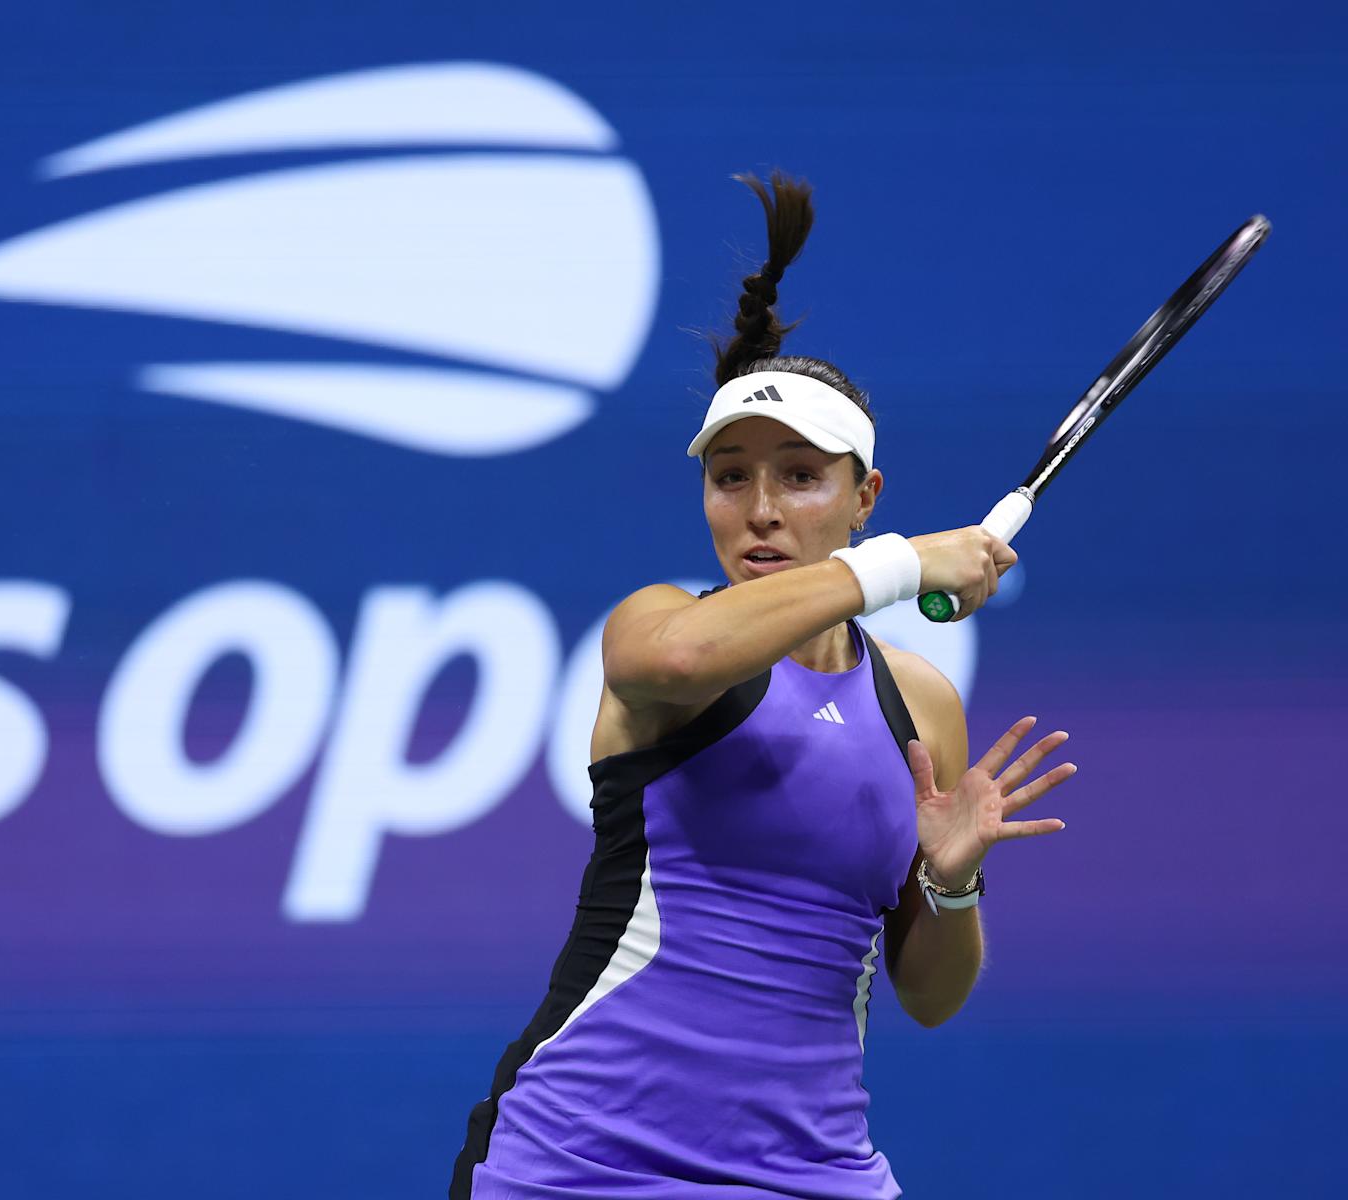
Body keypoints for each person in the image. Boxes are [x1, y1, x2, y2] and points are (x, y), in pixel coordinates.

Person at [449, 171, 1079, 1199]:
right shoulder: (660, 630)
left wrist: (952, 884)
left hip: (813, 1176)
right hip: (579, 1167)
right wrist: (907, 566)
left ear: (861, 496)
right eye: (730, 474)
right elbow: (689, 659)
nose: (761, 509)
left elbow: (930, 994)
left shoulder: (921, 707)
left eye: (800, 474)